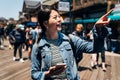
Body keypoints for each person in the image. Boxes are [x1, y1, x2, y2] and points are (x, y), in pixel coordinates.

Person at [31, 8, 113, 80]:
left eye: (59, 17)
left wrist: (98, 29)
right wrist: (48, 74)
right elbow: (34, 74)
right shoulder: (38, 46)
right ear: (45, 23)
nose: (60, 19)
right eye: (55, 17)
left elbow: (95, 48)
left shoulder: (70, 39)